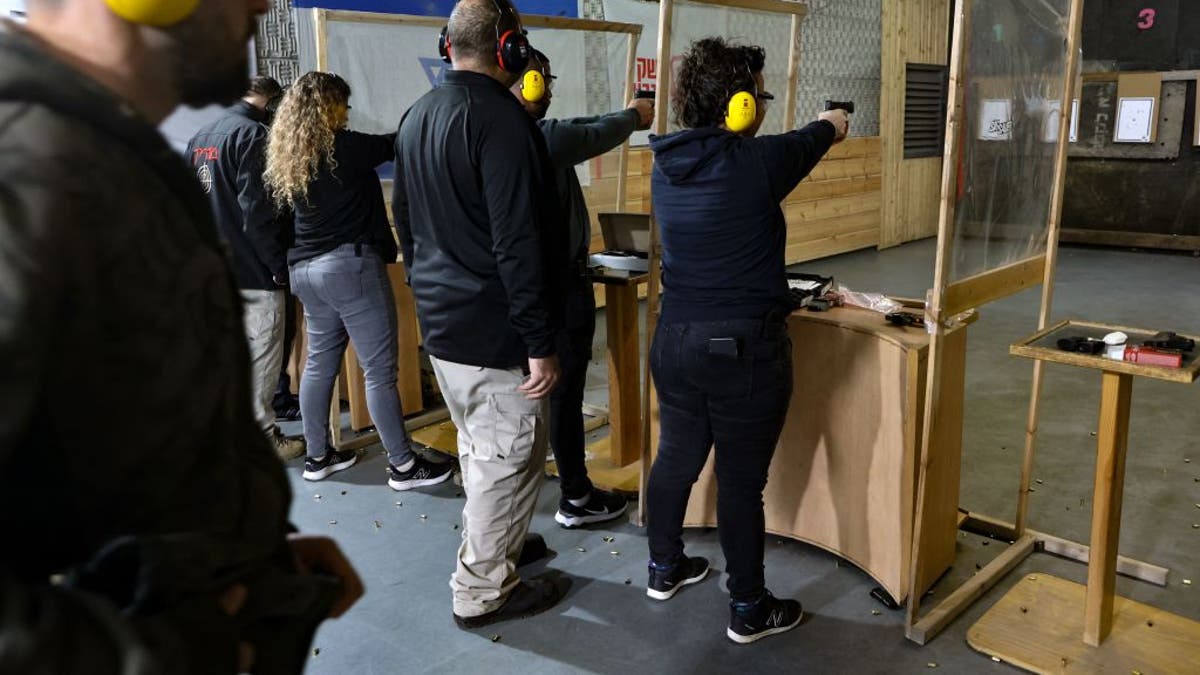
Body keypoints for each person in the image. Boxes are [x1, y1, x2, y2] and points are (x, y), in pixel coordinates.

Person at [0, 1, 364, 672]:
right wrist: (173, 653)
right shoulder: (24, 169)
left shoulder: (108, 153)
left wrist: (257, 557)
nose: (260, 6)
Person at [643, 37, 848, 644]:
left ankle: (663, 567)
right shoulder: (754, 164)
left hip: (675, 339)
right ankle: (749, 607)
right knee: (739, 484)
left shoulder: (665, 163)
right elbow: (820, 134)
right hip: (740, 349)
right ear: (736, 106)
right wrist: (832, 120)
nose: (760, 107)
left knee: (676, 457)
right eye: (757, 96)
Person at [394, 0, 570, 628]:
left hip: (446, 326)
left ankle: (503, 546)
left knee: (480, 446)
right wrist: (538, 340)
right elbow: (516, 242)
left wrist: (429, 290)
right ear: (511, 49)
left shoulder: (419, 115)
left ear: (449, 46)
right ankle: (482, 592)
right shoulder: (501, 122)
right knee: (507, 455)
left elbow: (405, 224)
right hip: (495, 332)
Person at [263, 71, 452, 491]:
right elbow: (398, 140)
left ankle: (318, 456)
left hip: (305, 272)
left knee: (317, 366)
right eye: (344, 105)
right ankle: (403, 466)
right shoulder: (345, 147)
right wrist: (431, 103)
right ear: (330, 106)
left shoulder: (291, 156)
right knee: (379, 372)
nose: (348, 113)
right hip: (349, 267)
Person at [508, 49, 654, 528]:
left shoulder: (497, 131)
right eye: (543, 80)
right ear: (524, 81)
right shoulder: (535, 136)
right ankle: (575, 494)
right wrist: (634, 115)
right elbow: (588, 134)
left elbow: (579, 124)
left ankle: (530, 499)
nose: (548, 87)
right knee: (563, 392)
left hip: (519, 286)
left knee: (536, 394)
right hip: (555, 286)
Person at [187, 75, 305, 460]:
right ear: (271, 103)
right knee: (261, 362)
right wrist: (277, 267)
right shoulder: (253, 136)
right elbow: (258, 214)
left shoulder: (200, 138)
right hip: (252, 272)